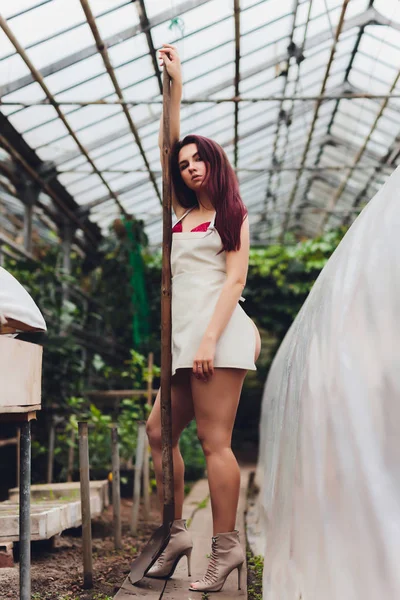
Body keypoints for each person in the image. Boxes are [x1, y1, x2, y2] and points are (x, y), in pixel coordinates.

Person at [145, 43, 261, 593]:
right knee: (158, 433)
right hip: (186, 341)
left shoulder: (232, 215)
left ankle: (226, 547)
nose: (190, 167)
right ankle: (176, 533)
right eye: (185, 163)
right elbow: (167, 142)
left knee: (216, 442)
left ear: (216, 164)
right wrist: (175, 88)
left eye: (199, 160)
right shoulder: (183, 210)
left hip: (218, 336)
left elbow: (234, 281)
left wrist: (209, 340)